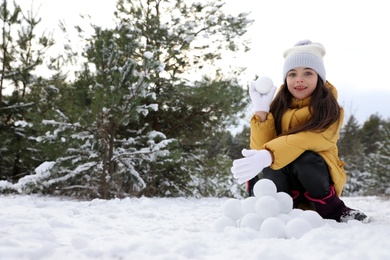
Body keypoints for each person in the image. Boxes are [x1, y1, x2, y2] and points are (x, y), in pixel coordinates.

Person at [231, 40, 368, 223]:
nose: (299, 79)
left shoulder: (330, 109)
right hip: (286, 185)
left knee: (305, 158)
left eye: (308, 73)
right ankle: (283, 207)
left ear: (319, 78)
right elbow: (260, 149)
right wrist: (262, 113)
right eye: (292, 74)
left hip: (318, 179)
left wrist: (269, 154)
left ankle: (333, 209)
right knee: (271, 161)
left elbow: (309, 138)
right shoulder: (278, 108)